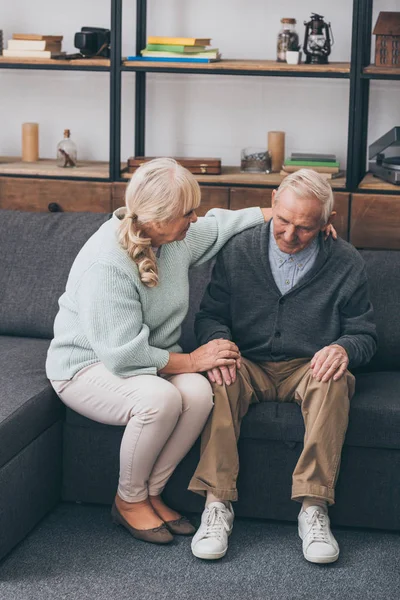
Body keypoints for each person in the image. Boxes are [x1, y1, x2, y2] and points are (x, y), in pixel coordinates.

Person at [46, 157, 275, 545]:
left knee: (200, 394)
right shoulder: (107, 262)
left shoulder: (174, 238)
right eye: (187, 213)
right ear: (157, 217)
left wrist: (284, 213)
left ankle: (151, 492)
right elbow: (121, 356)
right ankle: (128, 500)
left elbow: (220, 225)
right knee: (161, 399)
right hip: (85, 367)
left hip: (141, 364)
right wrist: (194, 360)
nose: (194, 219)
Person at [189, 168, 377, 564]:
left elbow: (365, 334)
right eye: (284, 221)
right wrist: (217, 343)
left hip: (308, 366)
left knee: (335, 380)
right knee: (218, 377)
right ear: (272, 201)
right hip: (247, 361)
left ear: (328, 222)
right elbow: (210, 315)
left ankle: (314, 508)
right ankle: (216, 504)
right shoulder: (238, 249)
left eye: (306, 228)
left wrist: (343, 349)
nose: (290, 235)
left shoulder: (346, 262)